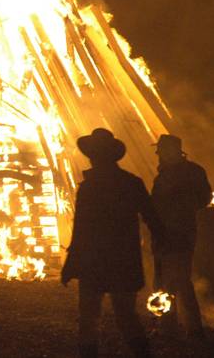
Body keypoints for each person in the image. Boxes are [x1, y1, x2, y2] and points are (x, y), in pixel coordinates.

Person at [61, 128, 164, 358]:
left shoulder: (89, 187)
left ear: (94, 157)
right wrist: (162, 243)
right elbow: (152, 217)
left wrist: (71, 264)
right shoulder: (131, 183)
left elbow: (81, 230)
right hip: (124, 260)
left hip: (94, 262)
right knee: (126, 316)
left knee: (89, 319)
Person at [150, 134, 211, 339]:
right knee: (162, 279)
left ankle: (192, 328)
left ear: (173, 150)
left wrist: (181, 201)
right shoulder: (164, 175)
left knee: (180, 280)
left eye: (161, 150)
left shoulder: (191, 173)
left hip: (180, 233)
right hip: (163, 233)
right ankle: (167, 325)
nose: (158, 155)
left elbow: (203, 198)